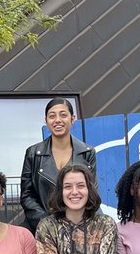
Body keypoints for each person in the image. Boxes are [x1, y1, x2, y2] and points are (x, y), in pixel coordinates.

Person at [19, 97, 97, 234]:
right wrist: (47, 222)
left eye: (63, 115)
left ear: (73, 119)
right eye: (52, 116)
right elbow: (27, 195)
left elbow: (91, 192)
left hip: (77, 227)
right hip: (40, 226)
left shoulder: (87, 153)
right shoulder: (33, 153)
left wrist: (73, 223)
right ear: (46, 121)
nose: (58, 120)